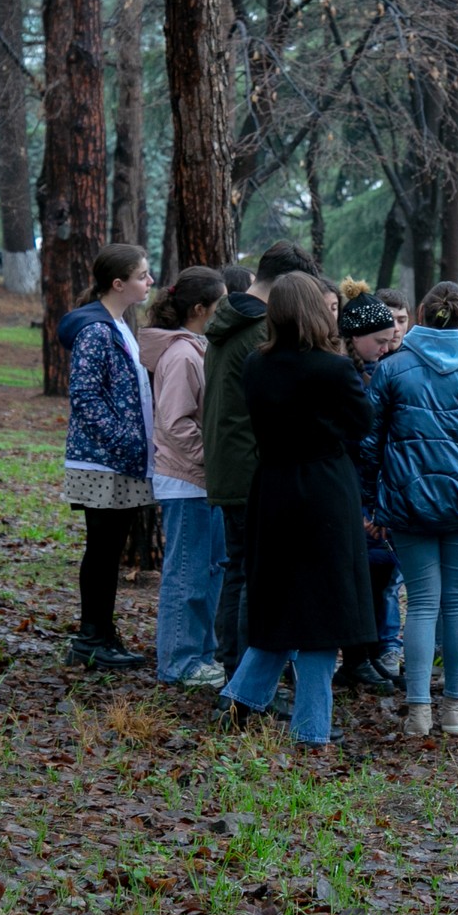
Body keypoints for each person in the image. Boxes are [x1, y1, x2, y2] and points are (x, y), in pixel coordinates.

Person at [216, 273, 380, 746]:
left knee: (280, 606)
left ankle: (239, 705)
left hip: (273, 489)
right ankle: (311, 729)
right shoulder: (333, 368)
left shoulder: (256, 364)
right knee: (324, 612)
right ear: (315, 311)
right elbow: (362, 423)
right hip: (324, 491)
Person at [359, 282, 458, 737]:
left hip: (408, 502)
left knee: (422, 603)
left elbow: (370, 442)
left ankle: (419, 712)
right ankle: (454, 710)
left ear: (421, 314)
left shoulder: (390, 370)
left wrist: (372, 502)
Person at [203, 240, 322, 675]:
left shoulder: (229, 318)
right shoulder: (258, 330)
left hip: (231, 464)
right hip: (252, 468)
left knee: (240, 571)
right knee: (256, 578)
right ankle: (245, 682)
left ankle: (234, 672)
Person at [55, 244, 157, 670]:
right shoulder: (97, 331)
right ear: (118, 284)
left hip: (120, 460)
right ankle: (91, 639)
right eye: (142, 275)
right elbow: (84, 396)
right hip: (102, 462)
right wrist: (124, 442)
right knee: (102, 550)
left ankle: (100, 632)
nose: (150, 281)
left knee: (108, 550)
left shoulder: (119, 325)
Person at [139, 266, 229, 689]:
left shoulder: (197, 349)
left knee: (207, 574)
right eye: (220, 304)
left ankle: (201, 656)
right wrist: (212, 461)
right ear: (199, 309)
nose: (224, 310)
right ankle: (178, 662)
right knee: (187, 576)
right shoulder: (181, 355)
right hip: (186, 482)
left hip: (202, 482)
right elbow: (175, 423)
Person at [336, 285, 402, 694]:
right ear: (356, 336)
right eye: (379, 340)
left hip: (369, 491)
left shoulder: (370, 370)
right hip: (351, 490)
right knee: (355, 576)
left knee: (375, 575)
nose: (385, 347)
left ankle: (368, 654)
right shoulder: (344, 373)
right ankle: (357, 657)